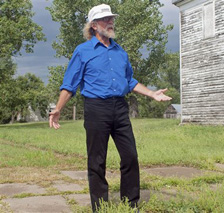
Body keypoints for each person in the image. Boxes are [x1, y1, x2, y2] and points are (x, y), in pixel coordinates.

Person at [49, 4, 172, 212]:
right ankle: (101, 207)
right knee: (97, 160)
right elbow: (70, 84)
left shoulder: (120, 51)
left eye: (111, 18)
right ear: (94, 25)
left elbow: (129, 81)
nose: (111, 22)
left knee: (130, 155)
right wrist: (59, 108)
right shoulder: (83, 51)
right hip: (96, 108)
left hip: (120, 108)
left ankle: (130, 204)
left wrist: (152, 93)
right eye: (106, 19)